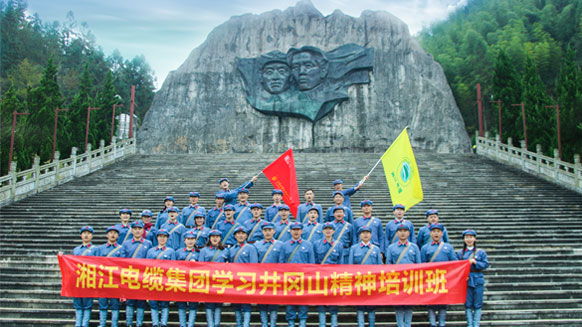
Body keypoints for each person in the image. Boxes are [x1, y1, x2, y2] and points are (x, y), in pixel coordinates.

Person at [59, 226, 96, 327]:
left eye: (88, 233)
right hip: (77, 280)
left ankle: (85, 324)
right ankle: (78, 323)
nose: (86, 235)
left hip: (89, 280)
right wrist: (63, 257)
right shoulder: (76, 249)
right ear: (81, 235)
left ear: (92, 235)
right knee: (78, 304)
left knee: (87, 304)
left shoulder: (95, 250)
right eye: (84, 233)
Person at [420, 223, 457, 327]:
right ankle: (432, 323)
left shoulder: (448, 247)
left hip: (444, 278)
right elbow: (422, 264)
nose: (436, 233)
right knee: (431, 303)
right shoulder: (425, 248)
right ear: (430, 233)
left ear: (442, 233)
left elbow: (454, 262)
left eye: (438, 231)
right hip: (430, 278)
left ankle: (442, 323)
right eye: (434, 231)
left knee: (443, 303)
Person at [279, 222, 315, 327]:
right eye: (294, 229)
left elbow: (311, 263)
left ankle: (302, 321)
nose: (296, 231)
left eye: (298, 229)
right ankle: (291, 321)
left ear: (301, 231)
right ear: (290, 231)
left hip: (303, 278)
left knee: (303, 300)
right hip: (289, 279)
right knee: (290, 300)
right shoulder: (284, 245)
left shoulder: (308, 245)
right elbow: (281, 262)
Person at [386, 223, 421, 327]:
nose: (402, 233)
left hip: (410, 279)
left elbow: (418, 264)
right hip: (397, 279)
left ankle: (408, 324)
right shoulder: (391, 247)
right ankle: (400, 324)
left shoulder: (414, 247)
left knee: (409, 303)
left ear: (409, 233)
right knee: (398, 303)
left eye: (405, 231)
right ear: (397, 233)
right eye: (400, 231)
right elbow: (388, 263)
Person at [349, 225, 382, 327]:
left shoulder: (375, 249)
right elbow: (350, 266)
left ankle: (372, 324)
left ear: (371, 235)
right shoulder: (354, 248)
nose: (365, 235)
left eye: (367, 232)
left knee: (372, 306)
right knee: (359, 306)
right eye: (363, 233)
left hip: (372, 282)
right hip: (358, 282)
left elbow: (380, 267)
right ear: (360, 235)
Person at [224, 226, 258, 327]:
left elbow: (254, 265)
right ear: (235, 236)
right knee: (236, 304)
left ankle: (246, 324)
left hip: (246, 280)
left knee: (246, 304)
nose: (240, 235)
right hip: (235, 281)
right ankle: (239, 324)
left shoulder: (250, 248)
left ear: (246, 235)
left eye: (243, 233)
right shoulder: (231, 249)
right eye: (238, 234)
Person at [121, 221, 153, 327]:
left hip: (143, 276)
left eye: (139, 229)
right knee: (130, 302)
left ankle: (139, 323)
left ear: (143, 230)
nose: (137, 231)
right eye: (135, 229)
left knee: (141, 301)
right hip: (130, 276)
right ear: (132, 230)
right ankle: (129, 323)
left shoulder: (148, 243)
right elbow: (122, 260)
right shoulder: (126, 243)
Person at [457, 229, 489, 327]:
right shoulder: (460, 253)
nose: (469, 239)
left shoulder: (481, 252)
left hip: (477, 278)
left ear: (475, 238)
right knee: (468, 303)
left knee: (478, 303)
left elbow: (485, 264)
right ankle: (470, 324)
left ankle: (476, 324)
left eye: (471, 237)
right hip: (466, 279)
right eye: (467, 237)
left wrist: (476, 263)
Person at [313, 222, 343, 327]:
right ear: (322, 231)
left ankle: (334, 324)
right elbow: (314, 261)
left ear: (334, 231)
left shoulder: (338, 245)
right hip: (321, 277)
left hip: (333, 277)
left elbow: (340, 262)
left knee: (333, 301)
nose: (328, 231)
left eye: (330, 229)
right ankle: (322, 324)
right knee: (321, 301)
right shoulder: (316, 244)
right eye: (326, 229)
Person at [253, 222, 282, 327]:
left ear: (274, 231)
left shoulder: (280, 245)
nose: (268, 233)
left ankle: (273, 323)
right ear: (262, 232)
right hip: (261, 278)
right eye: (265, 230)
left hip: (275, 278)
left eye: (270, 230)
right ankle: (264, 323)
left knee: (274, 302)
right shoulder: (257, 245)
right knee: (262, 302)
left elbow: (282, 262)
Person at [145, 229, 175, 327]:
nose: (162, 238)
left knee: (164, 303)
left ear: (167, 238)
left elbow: (173, 267)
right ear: (157, 238)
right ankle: (155, 323)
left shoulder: (170, 251)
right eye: (160, 236)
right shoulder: (151, 251)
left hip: (165, 281)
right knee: (153, 303)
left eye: (164, 237)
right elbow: (146, 267)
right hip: (153, 280)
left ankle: (163, 323)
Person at [96, 226, 123, 327]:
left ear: (118, 236)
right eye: (110, 233)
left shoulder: (121, 249)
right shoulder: (100, 249)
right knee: (102, 303)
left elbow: (123, 266)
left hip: (115, 281)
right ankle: (102, 323)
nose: (112, 235)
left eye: (115, 233)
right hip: (103, 280)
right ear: (107, 235)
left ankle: (114, 324)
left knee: (115, 305)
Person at [198, 230, 226, 327]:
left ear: (220, 238)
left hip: (220, 282)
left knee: (218, 304)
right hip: (208, 281)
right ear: (209, 238)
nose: (215, 238)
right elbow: (200, 266)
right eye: (213, 236)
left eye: (217, 236)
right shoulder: (204, 251)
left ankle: (216, 324)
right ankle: (210, 324)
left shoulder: (225, 250)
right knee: (209, 304)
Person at [176, 230, 200, 327]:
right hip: (181, 280)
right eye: (188, 239)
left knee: (193, 305)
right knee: (181, 304)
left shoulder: (199, 253)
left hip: (194, 282)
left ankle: (190, 324)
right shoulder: (178, 252)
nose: (190, 241)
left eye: (192, 239)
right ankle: (182, 324)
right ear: (184, 240)